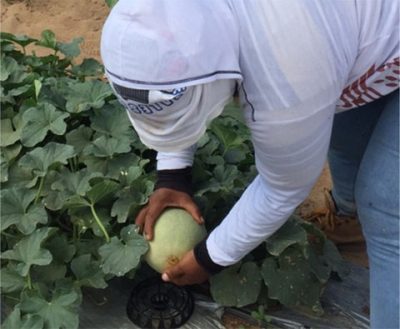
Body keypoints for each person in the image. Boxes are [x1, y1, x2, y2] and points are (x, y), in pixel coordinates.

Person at [100, 1, 399, 327]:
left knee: (387, 207)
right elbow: (179, 64)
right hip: (358, 24)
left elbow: (283, 188)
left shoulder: (288, 67)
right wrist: (172, 176)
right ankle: (348, 219)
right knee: (345, 131)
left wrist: (209, 257)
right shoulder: (170, 11)